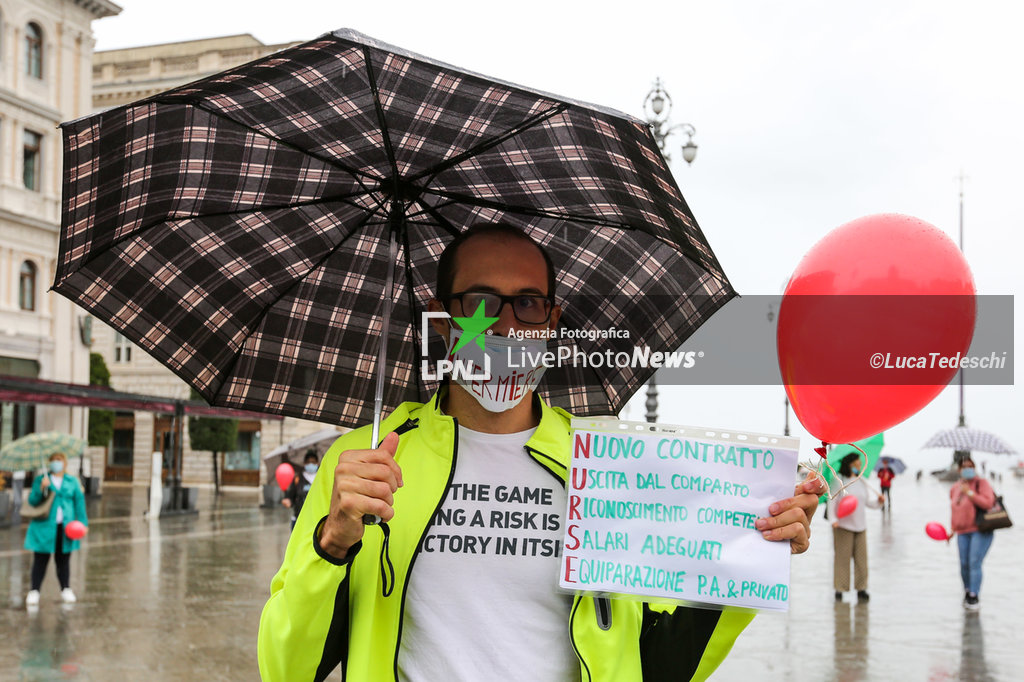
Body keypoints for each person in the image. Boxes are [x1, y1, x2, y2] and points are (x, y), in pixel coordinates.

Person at [258, 223, 827, 682]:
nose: (505, 326)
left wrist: (751, 552)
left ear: (552, 321)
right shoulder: (365, 460)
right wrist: (331, 545)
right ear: (442, 316)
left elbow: (660, 667)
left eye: (527, 303)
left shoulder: (605, 461)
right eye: (481, 301)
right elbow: (287, 670)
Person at [24, 452, 88, 608]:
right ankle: (34, 591)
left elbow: (79, 503)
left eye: (58, 460)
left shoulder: (72, 481)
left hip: (66, 527)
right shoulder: (41, 480)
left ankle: (65, 588)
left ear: (64, 463)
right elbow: (33, 501)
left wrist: (83, 523)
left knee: (63, 559)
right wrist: (41, 489)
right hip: (44, 526)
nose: (55, 463)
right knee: (40, 559)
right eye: (52, 461)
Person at [829, 452, 883, 602]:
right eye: (858, 463)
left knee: (861, 561)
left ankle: (862, 589)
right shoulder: (839, 481)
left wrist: (879, 502)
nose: (860, 465)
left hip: (861, 527)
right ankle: (840, 589)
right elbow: (832, 502)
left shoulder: (862, 481)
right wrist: (833, 520)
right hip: (842, 526)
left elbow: (868, 503)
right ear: (851, 464)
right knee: (842, 559)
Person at [950, 457, 995, 610]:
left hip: (979, 530)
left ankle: (974, 595)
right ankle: (967, 590)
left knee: (974, 562)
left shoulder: (981, 483)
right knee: (964, 564)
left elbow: (988, 503)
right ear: (959, 470)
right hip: (962, 531)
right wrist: (952, 530)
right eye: (964, 466)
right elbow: (954, 510)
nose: (968, 469)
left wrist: (969, 492)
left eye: (971, 466)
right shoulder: (955, 487)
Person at [282, 450, 319, 530]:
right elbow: (291, 496)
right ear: (304, 463)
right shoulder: (298, 479)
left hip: (316, 520)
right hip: (299, 520)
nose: (311, 464)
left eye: (313, 462)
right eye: (308, 462)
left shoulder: (321, 478)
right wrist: (288, 501)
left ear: (317, 463)